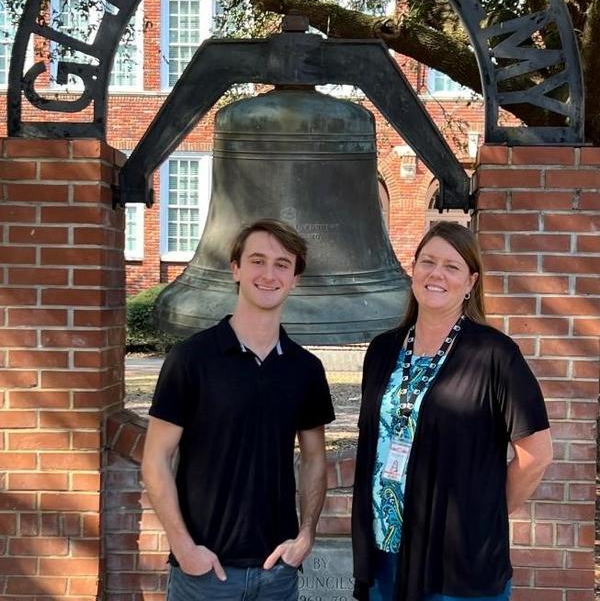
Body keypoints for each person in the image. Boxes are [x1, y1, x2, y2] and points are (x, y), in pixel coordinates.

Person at [352, 221, 552, 601]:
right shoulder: (382, 351)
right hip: (384, 554)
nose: (436, 274)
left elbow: (537, 456)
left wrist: (482, 519)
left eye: (451, 266)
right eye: (427, 261)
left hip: (457, 565)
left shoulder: (494, 355)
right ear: (413, 270)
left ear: (470, 282)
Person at [142, 218, 335, 601]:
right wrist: (183, 548)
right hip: (204, 574)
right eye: (257, 261)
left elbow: (314, 459)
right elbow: (156, 458)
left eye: (282, 264)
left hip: (277, 575)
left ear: (295, 277)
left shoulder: (305, 369)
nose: (269, 274)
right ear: (236, 269)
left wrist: (306, 535)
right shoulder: (191, 359)